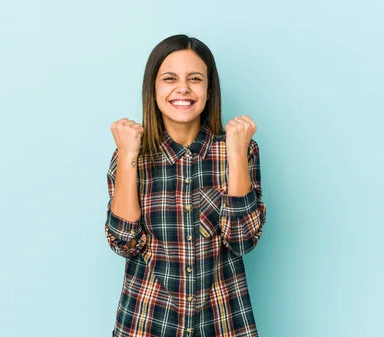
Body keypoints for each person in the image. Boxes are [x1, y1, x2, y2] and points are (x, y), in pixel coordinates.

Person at [104, 34, 267, 337]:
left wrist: (235, 153)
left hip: (222, 323)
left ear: (208, 90)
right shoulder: (131, 153)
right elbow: (123, 242)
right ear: (153, 90)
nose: (183, 88)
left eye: (195, 78)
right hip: (147, 323)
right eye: (169, 78)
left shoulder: (240, 149)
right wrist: (128, 155)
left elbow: (242, 240)